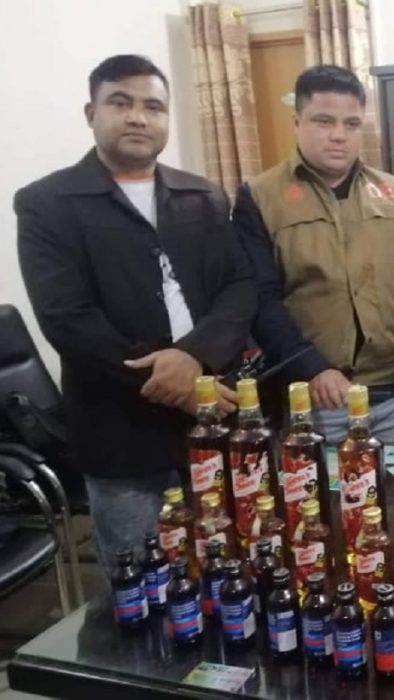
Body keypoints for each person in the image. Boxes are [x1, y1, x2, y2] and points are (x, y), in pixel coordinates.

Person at [15, 55, 255, 574]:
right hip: (121, 431)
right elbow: (67, 318)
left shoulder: (203, 196)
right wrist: (176, 384)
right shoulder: (47, 203)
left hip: (215, 420)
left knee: (234, 565)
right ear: (91, 113)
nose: (138, 118)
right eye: (120, 103)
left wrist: (195, 360)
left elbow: (240, 287)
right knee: (144, 583)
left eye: (153, 106)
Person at [234, 65, 394, 445]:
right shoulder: (260, 196)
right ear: (297, 121)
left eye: (352, 124)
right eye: (324, 121)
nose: (339, 135)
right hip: (316, 400)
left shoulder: (391, 192)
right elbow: (260, 298)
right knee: (325, 485)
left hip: (392, 393)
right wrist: (310, 366)